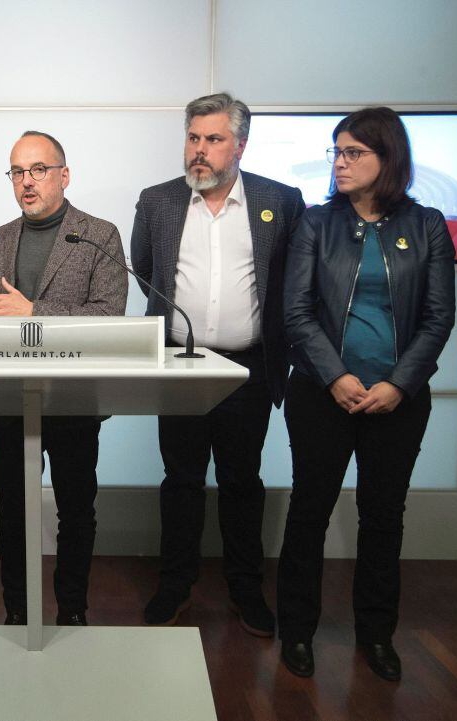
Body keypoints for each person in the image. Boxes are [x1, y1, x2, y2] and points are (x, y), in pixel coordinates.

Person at [277, 107, 455, 681]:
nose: (341, 162)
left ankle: (376, 635)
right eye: (337, 151)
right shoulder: (315, 223)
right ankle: (297, 633)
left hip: (397, 401)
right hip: (320, 393)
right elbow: (296, 312)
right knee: (309, 512)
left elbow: (438, 318)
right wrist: (335, 376)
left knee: (384, 518)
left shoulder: (427, 224)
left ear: (389, 158)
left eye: (354, 152)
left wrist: (399, 384)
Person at [130, 92, 305, 634]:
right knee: (179, 480)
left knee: (241, 482)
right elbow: (145, 269)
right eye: (193, 138)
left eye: (213, 139)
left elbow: (290, 286)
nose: (199, 151)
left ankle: (246, 590)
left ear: (241, 146)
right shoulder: (157, 202)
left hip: (246, 370)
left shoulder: (281, 201)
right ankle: (175, 585)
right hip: (179, 366)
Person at [0, 130, 127, 626]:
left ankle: (72, 611)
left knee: (76, 514)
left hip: (75, 401)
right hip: (10, 401)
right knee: (13, 514)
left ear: (64, 175)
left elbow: (110, 317)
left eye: (38, 170)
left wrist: (31, 311)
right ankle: (17, 611)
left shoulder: (99, 234)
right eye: (17, 172)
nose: (26, 182)